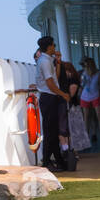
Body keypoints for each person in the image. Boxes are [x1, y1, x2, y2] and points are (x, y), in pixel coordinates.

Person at [34, 36, 70, 172]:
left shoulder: (48, 60)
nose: (55, 47)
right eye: (53, 45)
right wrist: (63, 94)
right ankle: (47, 161)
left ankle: (56, 161)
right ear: (49, 47)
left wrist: (59, 62)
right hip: (49, 98)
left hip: (50, 98)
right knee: (50, 132)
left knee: (52, 131)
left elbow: (55, 76)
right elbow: (50, 83)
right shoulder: (45, 61)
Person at [79, 57, 100, 143]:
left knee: (99, 116)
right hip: (85, 97)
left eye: (87, 65)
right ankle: (86, 138)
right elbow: (81, 86)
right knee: (86, 118)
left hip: (95, 96)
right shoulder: (84, 74)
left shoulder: (98, 74)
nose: (85, 67)